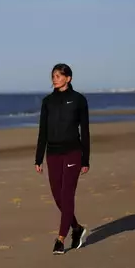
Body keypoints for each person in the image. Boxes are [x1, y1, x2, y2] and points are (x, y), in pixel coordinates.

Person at [35, 63, 90, 255]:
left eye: (59, 75)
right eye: (53, 76)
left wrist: (86, 159)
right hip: (53, 153)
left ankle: (60, 239)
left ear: (69, 78)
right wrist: (38, 157)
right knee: (57, 196)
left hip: (73, 152)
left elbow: (85, 131)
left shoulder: (79, 100)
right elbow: (43, 131)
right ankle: (77, 228)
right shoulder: (47, 102)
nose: (55, 78)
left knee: (67, 195)